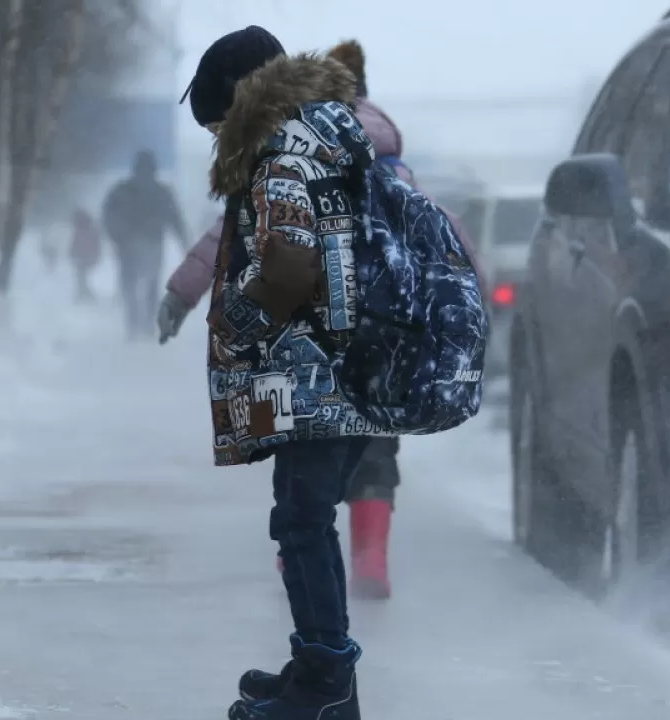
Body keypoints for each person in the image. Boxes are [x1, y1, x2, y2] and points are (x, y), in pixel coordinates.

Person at [162, 39, 483, 603]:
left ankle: (318, 627)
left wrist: (210, 312)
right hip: (386, 338)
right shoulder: (378, 160)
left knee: (305, 496)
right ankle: (366, 563)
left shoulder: (292, 156)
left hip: (320, 344)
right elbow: (440, 236)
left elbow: (248, 241)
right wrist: (466, 305)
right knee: (369, 459)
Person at [183, 26, 392, 720]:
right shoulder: (331, 137)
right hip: (348, 364)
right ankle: (319, 670)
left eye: (219, 123)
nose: (218, 138)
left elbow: (291, 267)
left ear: (241, 105)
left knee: (301, 523)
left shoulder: (282, 158)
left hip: (316, 373)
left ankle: (325, 686)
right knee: (307, 519)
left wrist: (234, 327)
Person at [101, 149, 188, 340]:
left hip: (128, 245)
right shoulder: (162, 191)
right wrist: (184, 243)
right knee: (151, 284)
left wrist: (115, 236)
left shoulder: (121, 189)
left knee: (129, 285)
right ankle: (147, 324)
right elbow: (176, 219)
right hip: (152, 243)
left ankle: (133, 324)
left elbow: (107, 215)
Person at [69, 208, 102, 303]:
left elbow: (95, 244)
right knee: (81, 276)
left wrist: (95, 255)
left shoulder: (89, 229)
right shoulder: (81, 229)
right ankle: (83, 293)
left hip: (87, 257)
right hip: (83, 257)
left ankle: (84, 294)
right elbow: (75, 243)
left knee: (81, 276)